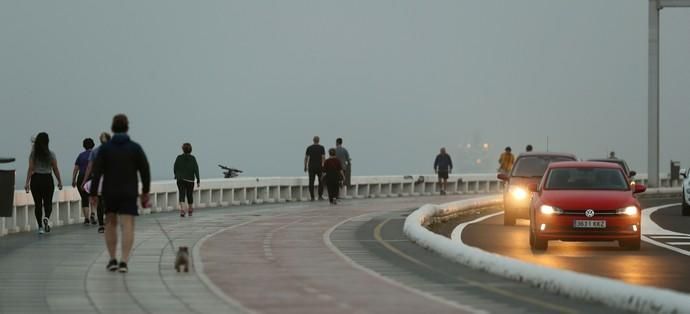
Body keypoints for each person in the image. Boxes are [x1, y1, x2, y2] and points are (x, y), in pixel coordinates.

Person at [90, 114, 151, 273]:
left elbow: (96, 172)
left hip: (110, 191)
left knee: (110, 223)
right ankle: (124, 261)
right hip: (129, 191)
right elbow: (145, 171)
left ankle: (112, 259)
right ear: (127, 127)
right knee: (127, 224)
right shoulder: (135, 148)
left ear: (112, 128)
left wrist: (94, 193)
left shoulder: (105, 149)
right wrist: (145, 192)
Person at [24, 132, 63, 234]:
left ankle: (40, 227)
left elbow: (31, 168)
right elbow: (55, 169)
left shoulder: (33, 154)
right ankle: (46, 218)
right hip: (47, 179)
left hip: (36, 179)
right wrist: (59, 181)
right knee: (48, 203)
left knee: (38, 204)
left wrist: (27, 183)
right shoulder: (51, 154)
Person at [82, 132, 111, 233]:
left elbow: (89, 167)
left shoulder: (95, 151)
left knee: (99, 203)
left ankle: (102, 225)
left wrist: (84, 181)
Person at [72, 138, 96, 225]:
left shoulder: (80, 155)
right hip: (93, 177)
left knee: (84, 197)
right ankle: (92, 214)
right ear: (93, 145)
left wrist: (73, 180)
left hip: (81, 177)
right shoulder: (95, 154)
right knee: (93, 196)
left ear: (84, 146)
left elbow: (76, 169)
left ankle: (86, 218)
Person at [174, 143, 200, 217]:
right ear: (190, 149)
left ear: (183, 149)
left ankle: (182, 210)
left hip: (180, 179)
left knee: (181, 194)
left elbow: (175, 167)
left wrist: (176, 175)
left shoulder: (179, 157)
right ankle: (190, 209)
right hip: (190, 180)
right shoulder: (193, 158)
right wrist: (198, 180)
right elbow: (196, 169)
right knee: (189, 194)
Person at [304, 136, 325, 201]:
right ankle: (320, 196)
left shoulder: (309, 148)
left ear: (313, 140)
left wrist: (305, 166)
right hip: (319, 167)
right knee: (321, 182)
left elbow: (306, 158)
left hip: (311, 167)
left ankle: (312, 197)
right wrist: (323, 166)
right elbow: (323, 158)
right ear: (318, 140)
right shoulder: (321, 148)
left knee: (311, 182)